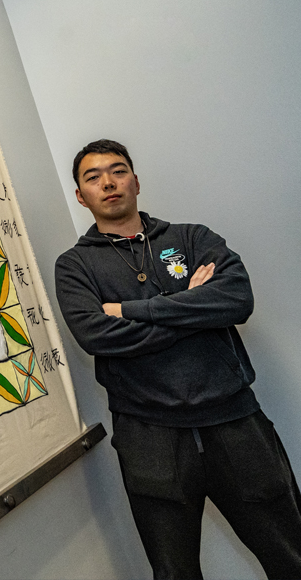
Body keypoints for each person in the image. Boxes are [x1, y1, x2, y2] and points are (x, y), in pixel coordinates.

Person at [54, 139, 301, 579]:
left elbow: (236, 300)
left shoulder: (192, 238)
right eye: (93, 177)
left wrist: (131, 310)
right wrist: (192, 305)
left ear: (136, 180)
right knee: (175, 572)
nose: (108, 182)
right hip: (149, 437)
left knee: (291, 555)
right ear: (80, 195)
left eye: (118, 170)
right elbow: (97, 335)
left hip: (237, 423)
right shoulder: (75, 266)